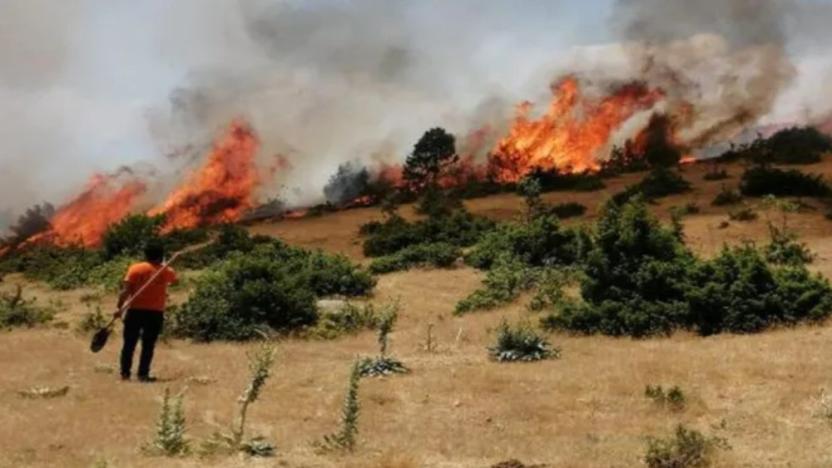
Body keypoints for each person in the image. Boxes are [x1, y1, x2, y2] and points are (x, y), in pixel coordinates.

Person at [115, 241, 177, 382]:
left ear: (145, 254)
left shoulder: (135, 269)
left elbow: (125, 291)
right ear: (161, 256)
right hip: (155, 313)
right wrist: (164, 264)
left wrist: (119, 307)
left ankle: (125, 374)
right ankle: (143, 375)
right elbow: (175, 280)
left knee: (129, 344)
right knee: (148, 345)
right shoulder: (167, 271)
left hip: (135, 311)